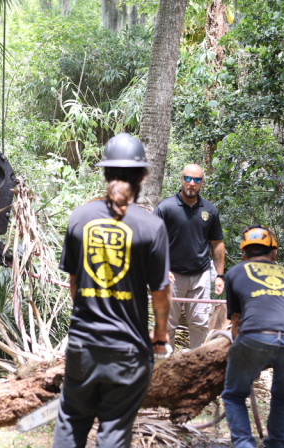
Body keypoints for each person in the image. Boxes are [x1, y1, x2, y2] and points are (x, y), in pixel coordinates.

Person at [52, 133, 171, 448]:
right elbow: (160, 291)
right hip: (128, 351)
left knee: (71, 421)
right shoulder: (151, 227)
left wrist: (88, 315)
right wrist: (160, 335)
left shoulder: (80, 218)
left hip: (82, 347)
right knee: (114, 430)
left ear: (104, 172)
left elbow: (75, 283)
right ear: (143, 176)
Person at [222, 225, 284, 448]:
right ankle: (278, 443)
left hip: (255, 334)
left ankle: (244, 443)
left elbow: (236, 321)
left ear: (243, 255)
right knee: (281, 394)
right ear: (274, 253)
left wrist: (241, 355)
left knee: (233, 395)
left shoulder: (234, 272)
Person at [153, 164, 224, 349]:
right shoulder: (165, 207)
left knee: (199, 324)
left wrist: (220, 275)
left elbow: (216, 243)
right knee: (166, 324)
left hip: (200, 275)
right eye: (188, 178)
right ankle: (165, 367)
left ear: (202, 183)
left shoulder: (209, 210)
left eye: (197, 180)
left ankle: (196, 367)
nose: (192, 183)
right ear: (182, 179)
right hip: (171, 276)